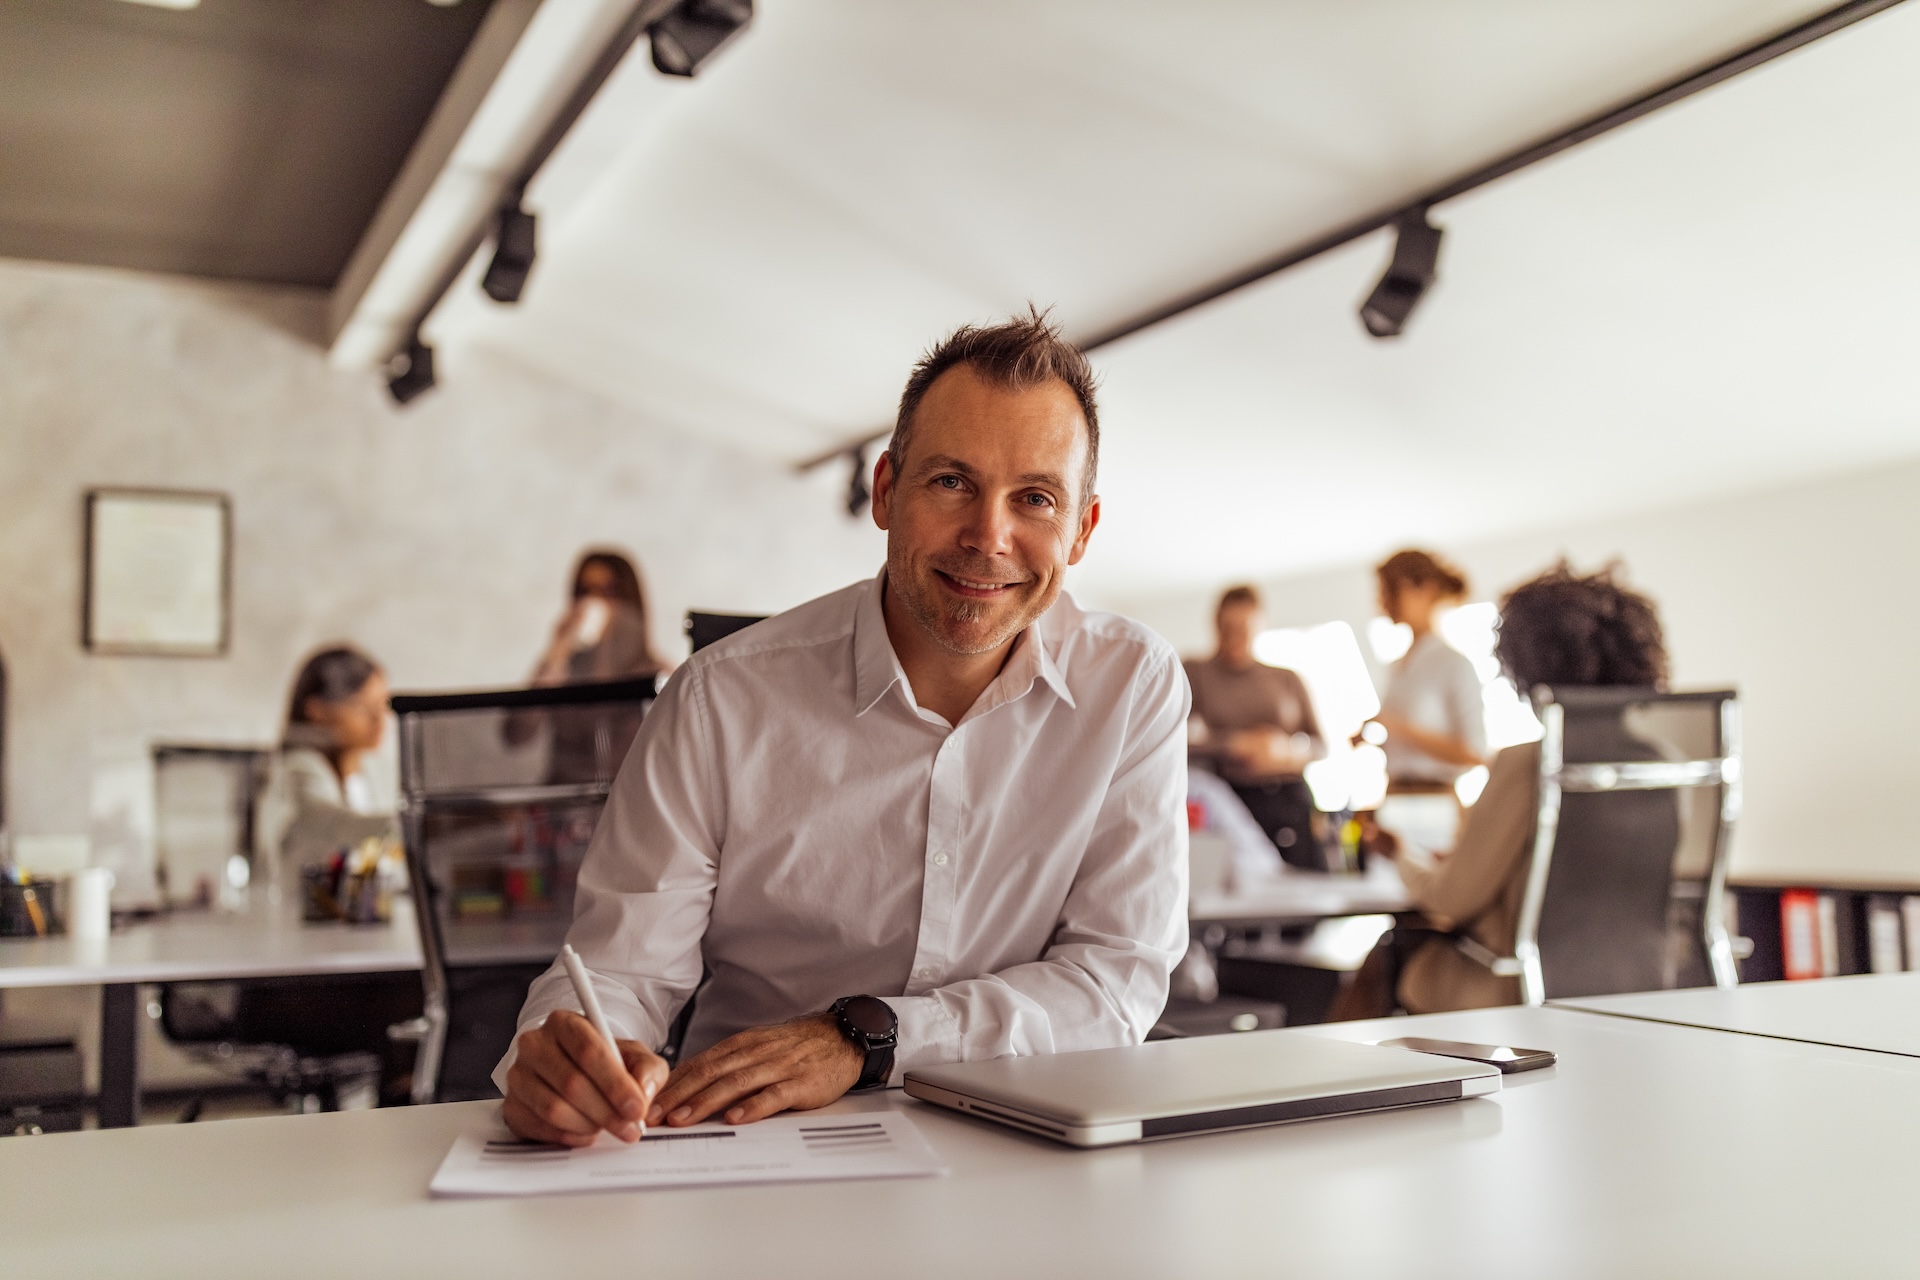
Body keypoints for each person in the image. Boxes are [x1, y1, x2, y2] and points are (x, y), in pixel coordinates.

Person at [496, 309, 1189, 1147]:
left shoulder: (1133, 686)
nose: (988, 537)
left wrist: (866, 1039)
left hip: (1018, 1147)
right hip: (750, 1150)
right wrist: (572, 1057)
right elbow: (619, 972)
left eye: (1035, 499)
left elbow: (1114, 983)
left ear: (1081, 531)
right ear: (886, 490)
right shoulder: (719, 698)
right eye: (951, 483)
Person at [1330, 562, 1671, 1017]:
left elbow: (1452, 901)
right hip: (1638, 985)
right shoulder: (1665, 762)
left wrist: (1400, 855)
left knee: (1388, 955)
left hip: (1516, 983)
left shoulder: (1529, 763)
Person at [1184, 586, 1327, 870]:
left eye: (1245, 628)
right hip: (1231, 801)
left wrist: (1287, 751)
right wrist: (1233, 744)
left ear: (1262, 625)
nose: (1236, 637)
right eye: (1228, 628)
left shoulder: (1287, 679)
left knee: (1303, 883)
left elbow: (1321, 746)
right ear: (1216, 625)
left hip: (1290, 800)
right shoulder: (1196, 672)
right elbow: (1174, 738)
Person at [507, 550, 667, 783]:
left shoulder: (656, 675)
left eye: (608, 591)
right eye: (583, 591)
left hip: (622, 795)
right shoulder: (562, 670)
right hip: (564, 794)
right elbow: (516, 734)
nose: (592, 601)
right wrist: (556, 653)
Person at [256, 645, 399, 875]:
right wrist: (415, 827)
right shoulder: (298, 770)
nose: (379, 720)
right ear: (317, 710)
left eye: (383, 705)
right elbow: (332, 826)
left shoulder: (372, 771)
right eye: (363, 707)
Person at [1361, 549, 1485, 790]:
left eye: (1390, 591)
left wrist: (1399, 728)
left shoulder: (1453, 664)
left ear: (1425, 590)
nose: (1383, 603)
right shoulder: (1397, 666)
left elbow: (1474, 753)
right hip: (1395, 792)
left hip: (1435, 797)